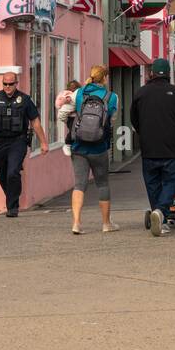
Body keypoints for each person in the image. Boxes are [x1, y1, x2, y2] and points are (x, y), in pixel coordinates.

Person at [131, 58, 175, 236]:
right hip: (171, 146)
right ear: (168, 73)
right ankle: (160, 212)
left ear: (151, 73)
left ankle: (161, 218)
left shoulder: (140, 93)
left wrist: (143, 133)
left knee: (152, 183)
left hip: (149, 147)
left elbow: (133, 118)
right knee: (171, 181)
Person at [0, 72, 48, 218]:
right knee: (1, 174)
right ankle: (12, 196)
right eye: (5, 84)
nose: (7, 87)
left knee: (13, 172)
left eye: (10, 84)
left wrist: (43, 142)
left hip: (18, 141)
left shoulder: (25, 100)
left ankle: (12, 206)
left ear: (16, 83)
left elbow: (35, 122)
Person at [69, 65, 118, 235]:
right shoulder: (112, 97)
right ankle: (106, 224)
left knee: (79, 184)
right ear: (104, 78)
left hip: (79, 146)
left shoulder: (80, 93)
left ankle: (76, 223)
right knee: (103, 183)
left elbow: (68, 111)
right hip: (99, 147)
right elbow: (112, 120)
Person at [54, 78, 81, 155]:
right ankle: (68, 144)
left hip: (69, 117)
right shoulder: (69, 95)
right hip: (72, 117)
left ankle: (71, 144)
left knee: (74, 131)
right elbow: (68, 101)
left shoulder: (63, 93)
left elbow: (58, 105)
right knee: (73, 131)